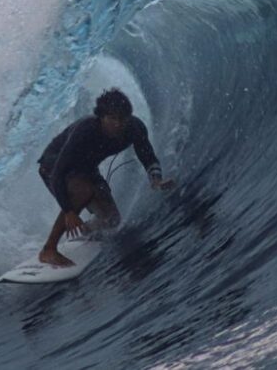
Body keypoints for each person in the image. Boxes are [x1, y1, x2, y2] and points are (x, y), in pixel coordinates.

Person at [36, 88, 175, 267]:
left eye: (121, 119)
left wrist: (156, 180)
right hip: (52, 167)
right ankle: (49, 250)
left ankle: (85, 231)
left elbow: (147, 156)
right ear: (101, 117)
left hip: (86, 170)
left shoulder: (134, 128)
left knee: (111, 220)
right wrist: (69, 211)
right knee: (84, 191)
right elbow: (58, 174)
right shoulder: (85, 130)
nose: (117, 124)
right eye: (111, 118)